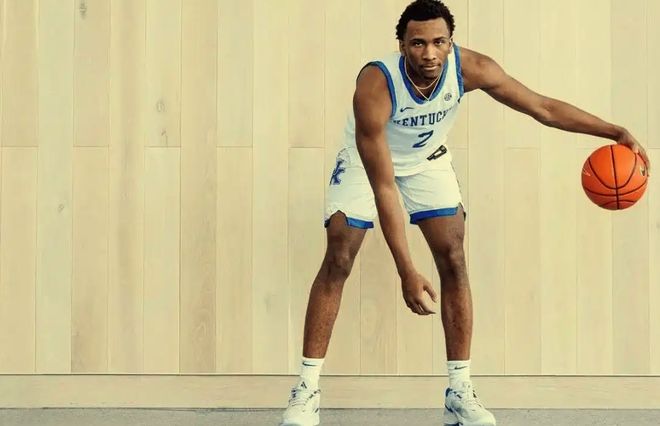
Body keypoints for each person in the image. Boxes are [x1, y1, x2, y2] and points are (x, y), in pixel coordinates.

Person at [281, 1, 650, 425]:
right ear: (401, 45)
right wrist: (406, 270)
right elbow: (384, 187)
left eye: (439, 42)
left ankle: (459, 392)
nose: (429, 53)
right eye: (418, 43)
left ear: (450, 42)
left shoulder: (471, 68)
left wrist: (614, 131)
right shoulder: (375, 85)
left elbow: (542, 108)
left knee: (454, 257)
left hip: (426, 160)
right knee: (340, 255)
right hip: (368, 164)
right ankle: (306, 391)